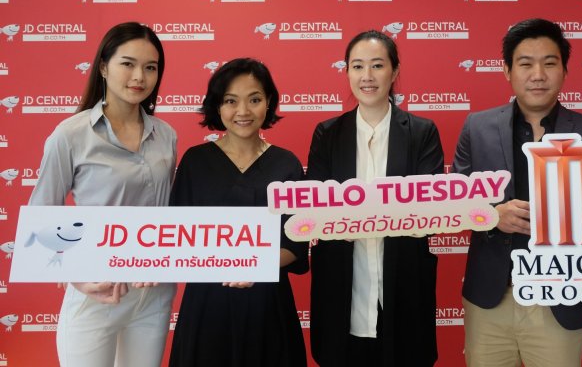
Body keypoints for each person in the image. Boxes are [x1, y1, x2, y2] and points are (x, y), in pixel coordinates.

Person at [452, 18, 582, 367]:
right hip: (491, 299)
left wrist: (572, 244)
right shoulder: (477, 127)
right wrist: (491, 216)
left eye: (549, 63)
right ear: (507, 70)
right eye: (525, 64)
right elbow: (456, 203)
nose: (538, 75)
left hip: (561, 298)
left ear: (564, 70)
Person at [28, 22, 176, 367]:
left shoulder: (166, 135)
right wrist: (78, 278)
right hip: (96, 293)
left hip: (153, 295)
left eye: (150, 67)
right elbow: (40, 220)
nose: (139, 76)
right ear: (104, 67)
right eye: (128, 64)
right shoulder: (70, 134)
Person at [307, 30, 443, 366]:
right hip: (342, 288)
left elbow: (429, 211)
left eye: (377, 65)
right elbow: (316, 210)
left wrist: (357, 216)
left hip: (404, 286)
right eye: (357, 66)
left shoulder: (422, 133)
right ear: (347, 72)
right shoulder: (327, 134)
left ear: (394, 72)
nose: (367, 76)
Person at [168, 58, 307, 367]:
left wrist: (255, 265)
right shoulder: (195, 162)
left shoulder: (287, 165)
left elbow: (296, 243)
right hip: (207, 306)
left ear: (268, 102)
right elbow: (176, 237)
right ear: (217, 106)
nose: (243, 111)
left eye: (254, 100)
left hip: (268, 306)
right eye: (231, 101)